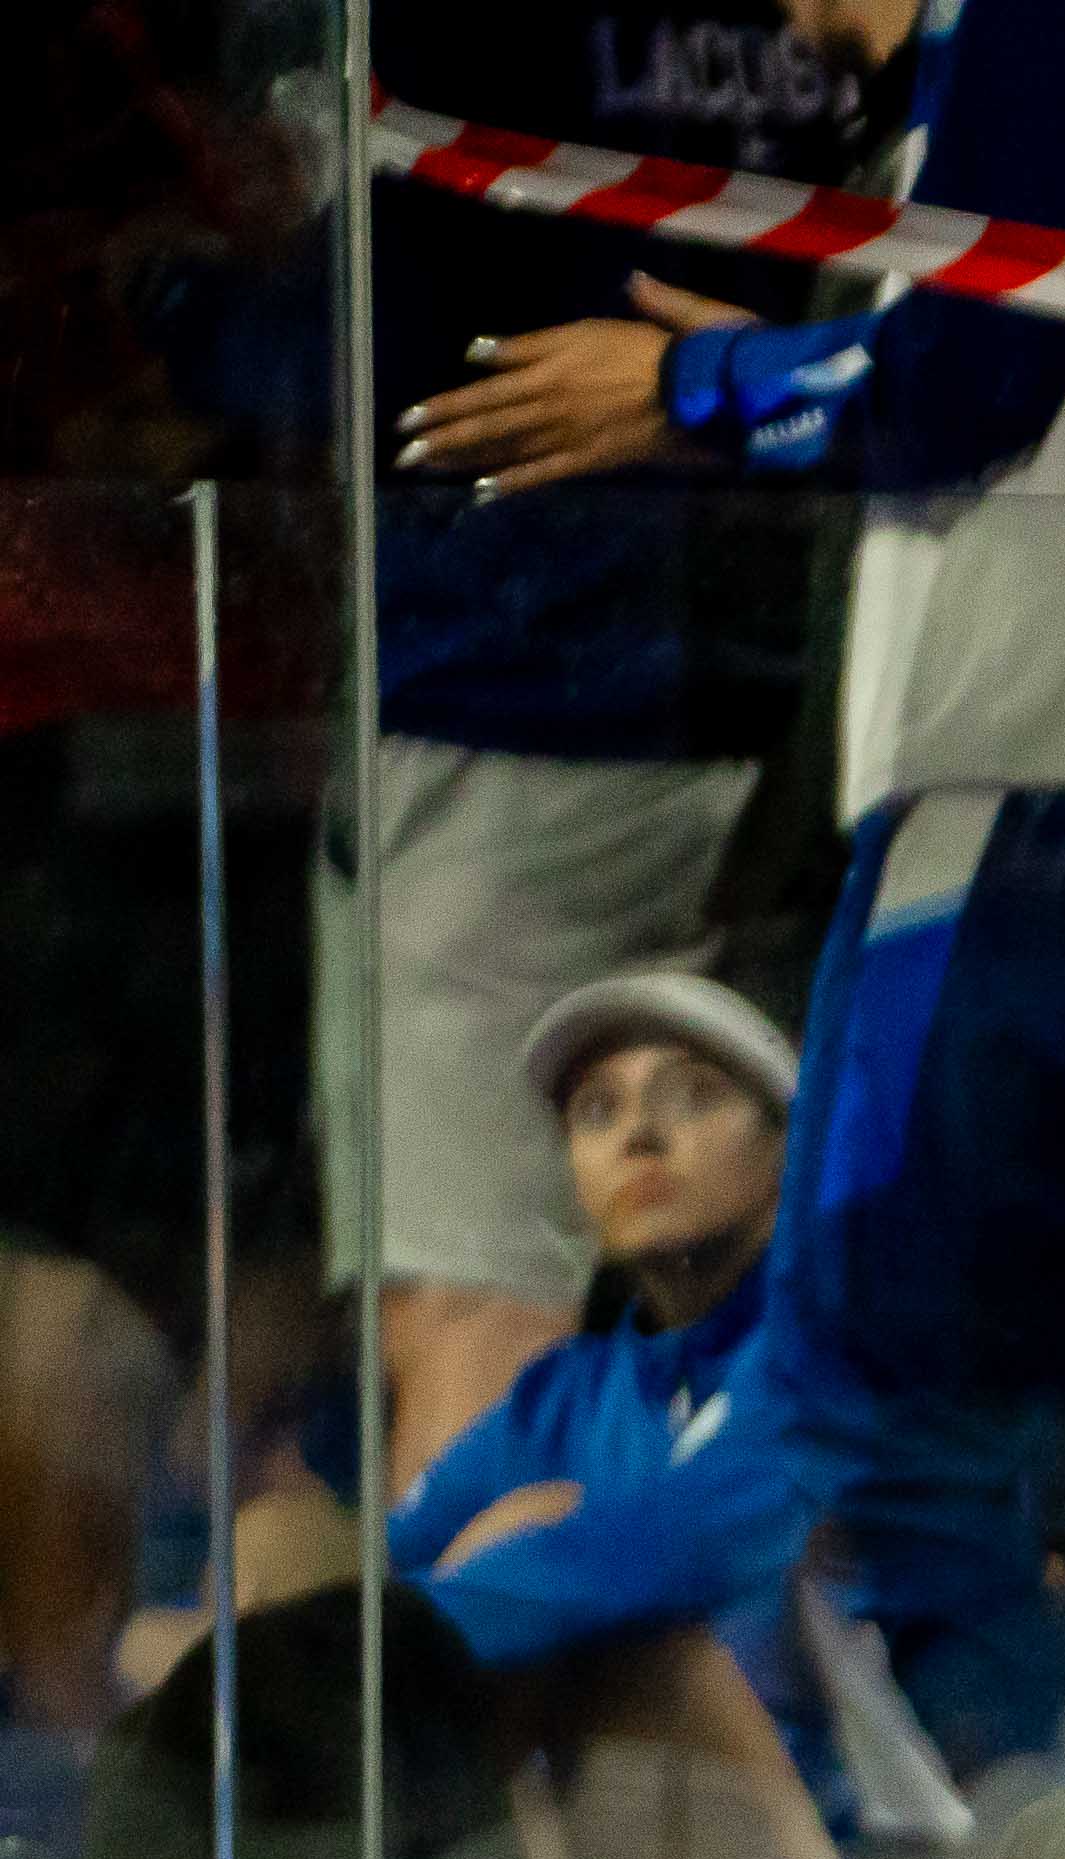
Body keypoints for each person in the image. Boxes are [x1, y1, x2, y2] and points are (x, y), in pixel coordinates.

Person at [403, 0, 1065, 1817]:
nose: (787, 19)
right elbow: (1034, 347)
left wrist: (695, 387)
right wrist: (784, 380)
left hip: (1025, 779)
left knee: (864, 1406)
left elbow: (972, 379)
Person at [340, 0, 835, 1496]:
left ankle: (499, 1652)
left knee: (485, 1323)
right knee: (776, 1322)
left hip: (516, 693)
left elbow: (309, 328)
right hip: (799, 690)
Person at [378, 967, 895, 1859]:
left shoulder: (843, 1358)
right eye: (597, 1110)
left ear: (791, 1147)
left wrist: (317, 1661)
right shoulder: (567, 1395)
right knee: (283, 1552)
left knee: (595, 1622)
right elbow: (385, 1574)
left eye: (696, 1094)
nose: (640, 1135)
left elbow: (656, 1559)